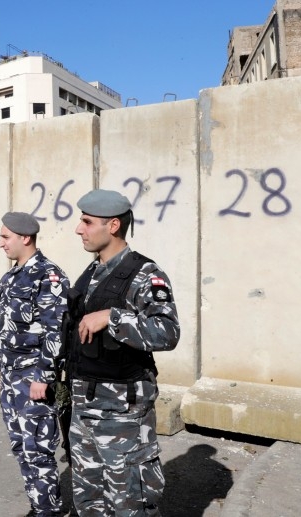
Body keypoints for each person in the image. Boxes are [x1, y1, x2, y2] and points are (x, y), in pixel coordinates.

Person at [62, 189, 180, 516]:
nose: (78, 228)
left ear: (113, 225)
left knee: (129, 503)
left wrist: (113, 318)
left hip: (121, 414)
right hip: (84, 407)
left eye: (86, 222)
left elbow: (168, 332)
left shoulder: (146, 274)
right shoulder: (91, 272)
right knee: (90, 502)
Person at [0, 211, 70, 517]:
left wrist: (44, 377)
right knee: (22, 447)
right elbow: (2, 326)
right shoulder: (10, 277)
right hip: (10, 378)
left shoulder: (49, 276)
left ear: (25, 238)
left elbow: (56, 332)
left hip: (33, 378)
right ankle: (38, 506)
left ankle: (49, 511)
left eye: (5, 237)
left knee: (39, 449)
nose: (0, 243)